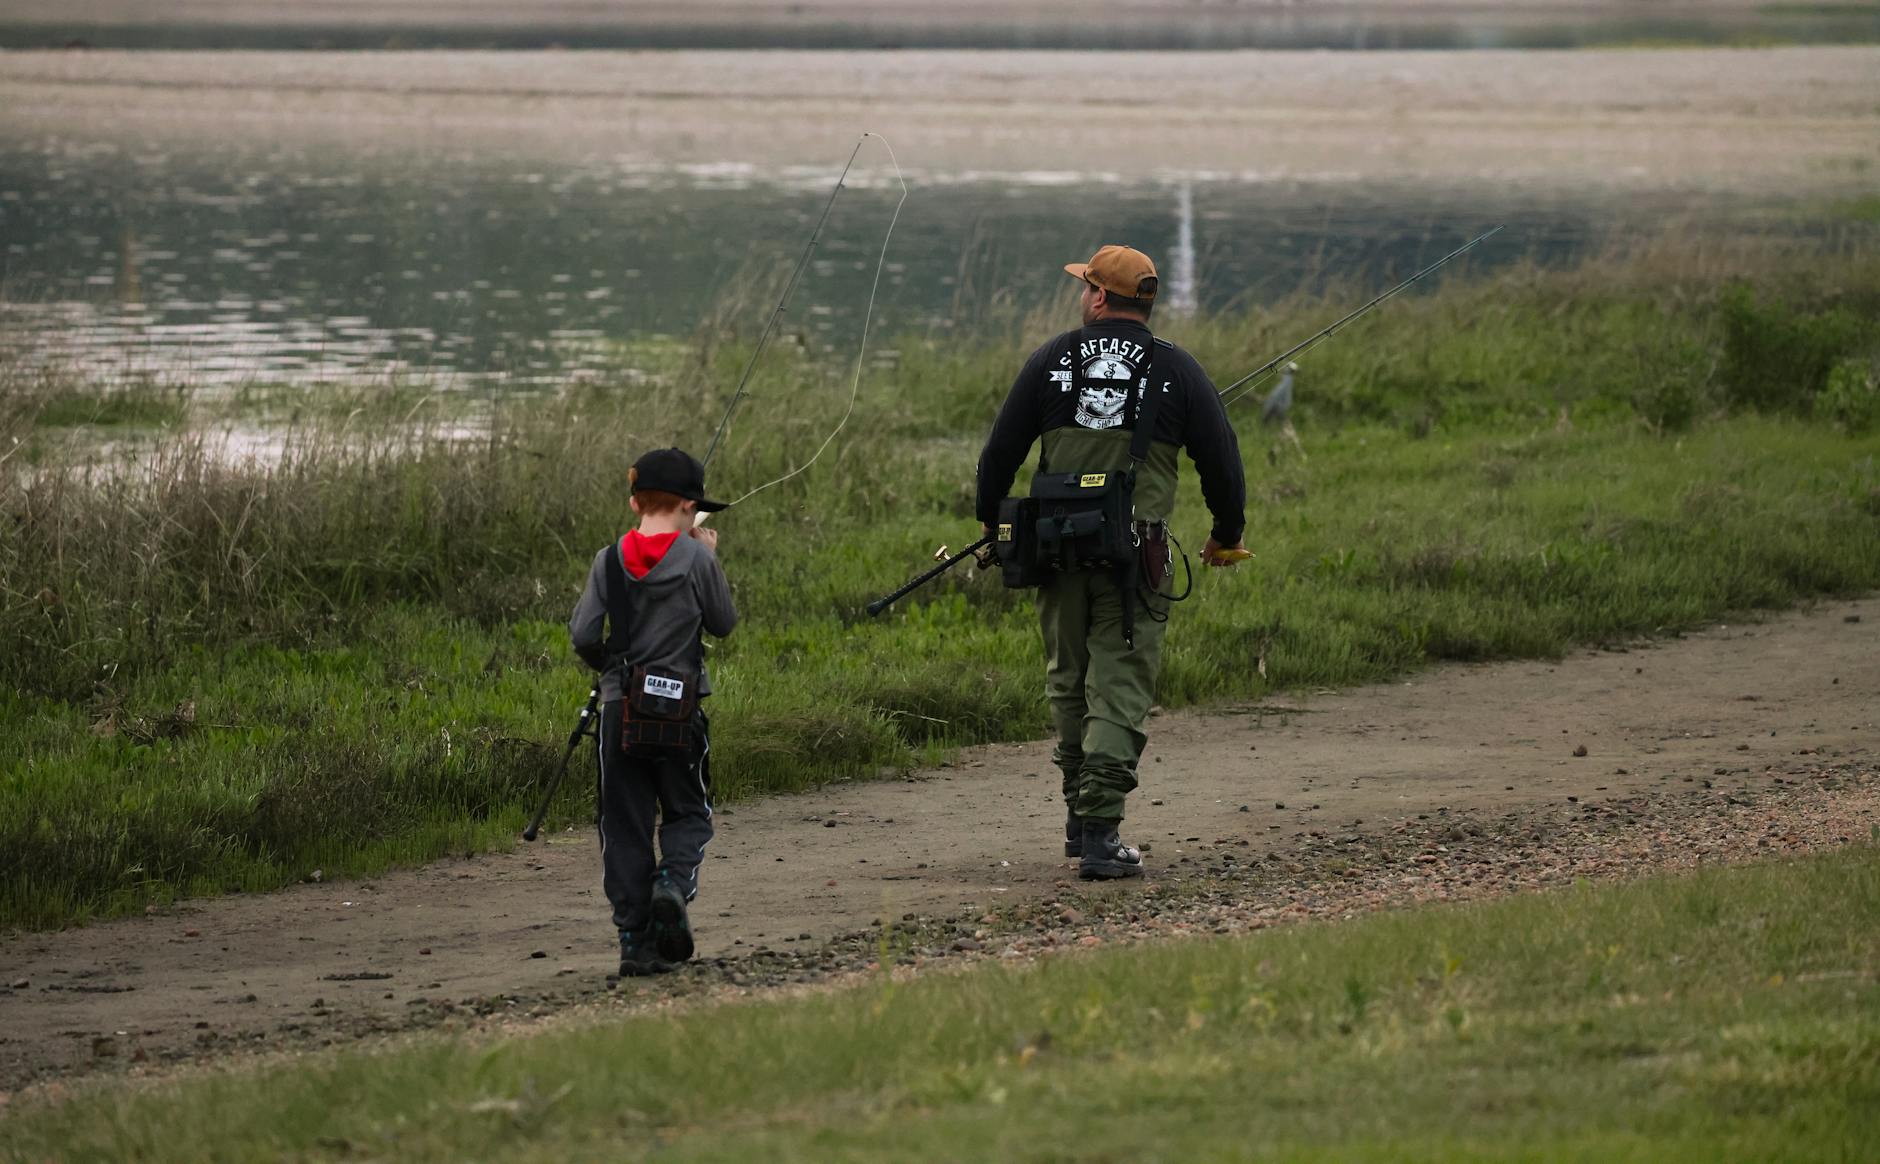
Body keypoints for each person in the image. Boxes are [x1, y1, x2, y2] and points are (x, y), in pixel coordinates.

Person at [975, 245, 1247, 880]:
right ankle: (1100, 832)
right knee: (1117, 684)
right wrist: (1224, 535)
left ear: (1099, 297)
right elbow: (1222, 461)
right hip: (1134, 556)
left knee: (1069, 679)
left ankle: (1080, 819)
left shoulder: (1051, 359)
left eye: (1085, 287)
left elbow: (999, 453)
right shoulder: (1176, 368)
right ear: (1144, 302)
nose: (1082, 296)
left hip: (1053, 552)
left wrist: (992, 524)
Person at [569, 447, 737, 976]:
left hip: (621, 708)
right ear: (690, 507)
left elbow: (582, 635)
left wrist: (615, 670)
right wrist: (710, 554)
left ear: (634, 503)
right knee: (688, 810)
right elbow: (723, 622)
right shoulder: (697, 558)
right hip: (679, 712)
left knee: (623, 824)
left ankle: (634, 942)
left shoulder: (608, 559)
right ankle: (673, 884)